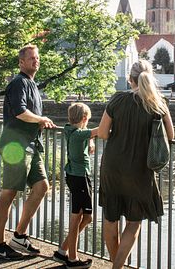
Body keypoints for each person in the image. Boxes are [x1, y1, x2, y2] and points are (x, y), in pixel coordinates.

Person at [96, 59, 175, 269]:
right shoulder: (158, 103)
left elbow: (103, 133)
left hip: (112, 166)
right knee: (133, 223)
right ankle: (117, 267)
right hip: (139, 170)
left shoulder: (117, 99)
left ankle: (117, 265)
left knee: (110, 219)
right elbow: (171, 135)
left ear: (130, 80)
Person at [0, 45, 55, 260]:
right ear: (21, 62)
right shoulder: (19, 83)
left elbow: (28, 114)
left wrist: (38, 124)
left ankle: (19, 235)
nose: (36, 61)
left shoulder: (32, 84)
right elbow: (20, 112)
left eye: (37, 58)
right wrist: (41, 119)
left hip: (30, 145)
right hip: (15, 146)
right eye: (31, 58)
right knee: (9, 192)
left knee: (42, 186)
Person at [53, 103, 98, 268]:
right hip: (80, 178)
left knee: (86, 217)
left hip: (75, 176)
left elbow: (88, 134)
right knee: (78, 217)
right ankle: (72, 259)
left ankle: (63, 250)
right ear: (85, 119)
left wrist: (90, 140)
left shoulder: (68, 129)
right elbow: (101, 130)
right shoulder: (80, 134)